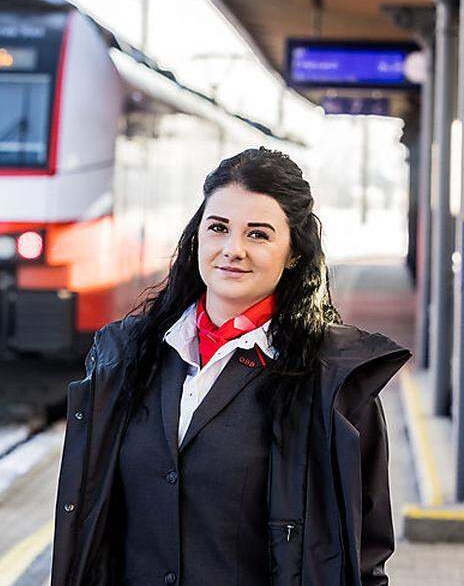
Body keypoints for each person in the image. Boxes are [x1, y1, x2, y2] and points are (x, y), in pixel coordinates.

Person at [50, 147, 408, 585]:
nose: (232, 250)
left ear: (294, 252)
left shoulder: (334, 383)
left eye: (258, 234)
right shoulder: (126, 356)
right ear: (197, 236)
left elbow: (365, 555)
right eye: (218, 228)